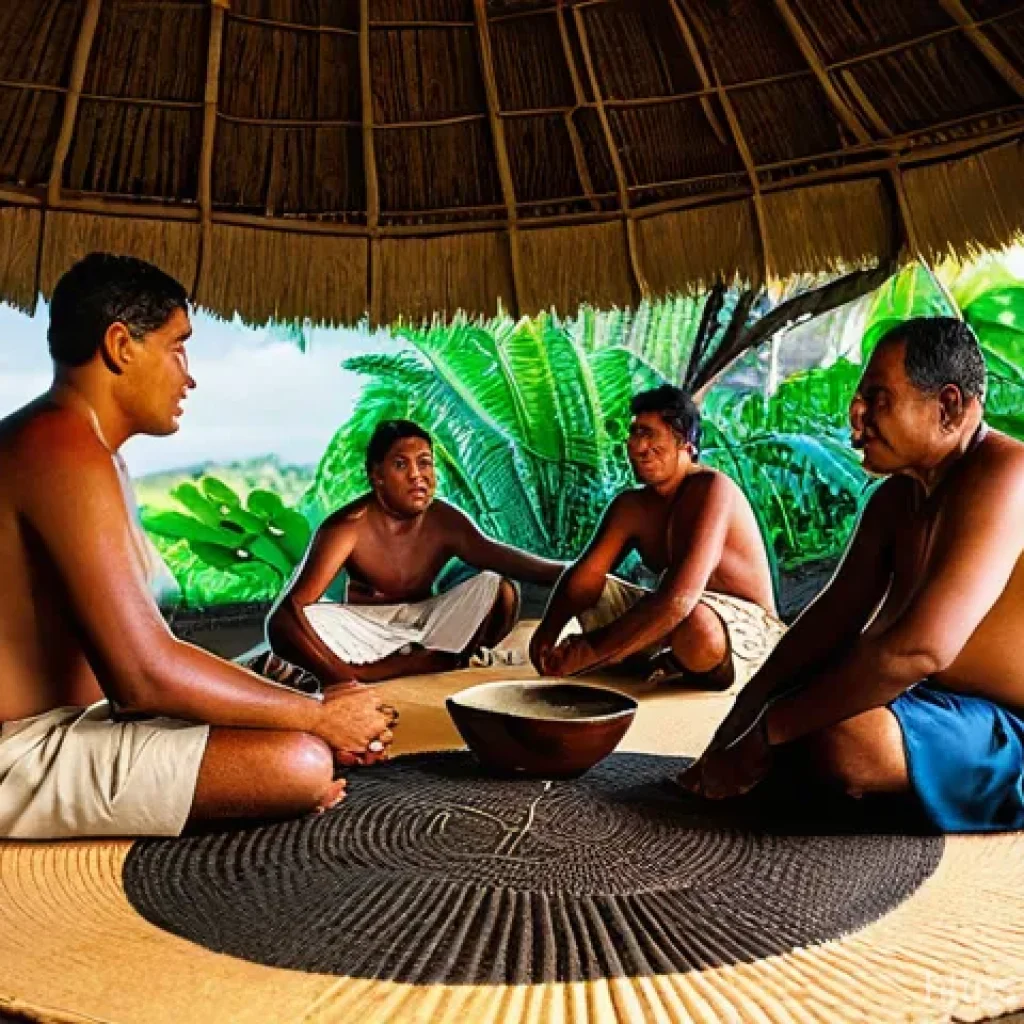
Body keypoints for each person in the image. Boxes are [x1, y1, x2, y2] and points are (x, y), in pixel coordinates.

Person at [0, 253, 395, 840]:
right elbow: (142, 677)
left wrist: (253, 682)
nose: (189, 375)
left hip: (83, 721)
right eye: (177, 345)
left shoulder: (86, 450)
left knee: (283, 723)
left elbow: (126, 669)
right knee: (302, 760)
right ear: (120, 345)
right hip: (21, 753)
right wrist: (319, 715)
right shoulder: (59, 449)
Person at [683, 317, 1024, 833]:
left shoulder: (1007, 474)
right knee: (808, 705)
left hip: (1007, 725)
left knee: (841, 736)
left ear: (948, 408)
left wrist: (769, 732)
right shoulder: (896, 499)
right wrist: (737, 725)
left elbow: (920, 650)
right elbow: (828, 623)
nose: (856, 416)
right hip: (932, 702)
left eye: (879, 398)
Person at [266, 419, 566, 683]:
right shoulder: (347, 527)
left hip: (427, 626)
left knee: (498, 588)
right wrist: (345, 680)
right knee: (308, 618)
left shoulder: (445, 520)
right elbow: (285, 616)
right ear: (377, 475)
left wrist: (576, 572)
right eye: (401, 465)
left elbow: (504, 559)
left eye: (424, 463)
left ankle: (456, 660)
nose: (416, 475)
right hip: (369, 634)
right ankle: (390, 669)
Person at [530, 385, 784, 689]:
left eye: (649, 434)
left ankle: (658, 658)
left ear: (685, 443)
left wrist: (590, 650)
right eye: (635, 433)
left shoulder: (712, 488)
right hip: (674, 615)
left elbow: (679, 599)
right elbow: (586, 577)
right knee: (593, 590)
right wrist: (547, 633)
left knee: (695, 627)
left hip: (742, 625)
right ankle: (648, 654)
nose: (638, 446)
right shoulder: (631, 506)